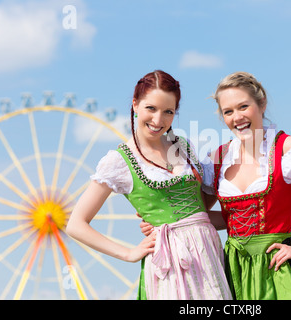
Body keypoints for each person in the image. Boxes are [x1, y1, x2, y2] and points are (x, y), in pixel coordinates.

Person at [66, 70, 232, 300]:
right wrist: (128, 253)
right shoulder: (119, 161)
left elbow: (199, 212)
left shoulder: (183, 145)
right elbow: (75, 224)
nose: (158, 120)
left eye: (168, 112)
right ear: (135, 105)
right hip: (170, 262)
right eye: (151, 108)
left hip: (208, 254)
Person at [201, 71, 291, 300]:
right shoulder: (217, 158)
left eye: (243, 106)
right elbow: (201, 215)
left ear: (262, 104)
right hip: (233, 268)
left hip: (277, 268)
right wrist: (161, 223)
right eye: (228, 111)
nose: (236, 117)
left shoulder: (287, 149)